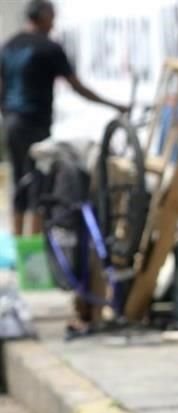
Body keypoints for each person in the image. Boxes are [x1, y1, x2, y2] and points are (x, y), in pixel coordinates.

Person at [1, 0, 127, 236]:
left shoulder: (9, 46)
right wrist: (113, 104)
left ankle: (21, 250)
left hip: (12, 123)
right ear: (42, 17)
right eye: (52, 17)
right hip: (34, 124)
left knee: (19, 185)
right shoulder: (48, 48)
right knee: (38, 185)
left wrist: (7, 115)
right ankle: (33, 252)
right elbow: (77, 86)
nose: (55, 23)